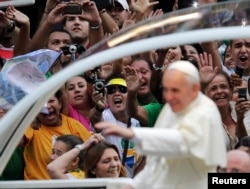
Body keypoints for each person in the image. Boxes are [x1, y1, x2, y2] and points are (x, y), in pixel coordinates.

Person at [95, 60, 227, 189]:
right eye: (166, 90)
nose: (169, 96)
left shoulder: (206, 111)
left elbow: (182, 142)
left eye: (175, 90)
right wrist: (134, 185)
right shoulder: (170, 110)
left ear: (194, 89)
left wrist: (132, 133)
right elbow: (158, 162)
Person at [19, 90, 92, 180]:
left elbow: (93, 153)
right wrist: (25, 119)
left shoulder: (74, 125)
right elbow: (12, 142)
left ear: (60, 104)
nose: (47, 106)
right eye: (41, 104)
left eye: (51, 101)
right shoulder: (32, 126)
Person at [90, 74, 141, 178]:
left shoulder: (137, 122)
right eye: (111, 91)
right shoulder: (105, 115)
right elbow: (96, 121)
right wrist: (99, 109)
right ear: (107, 98)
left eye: (122, 89)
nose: (117, 93)